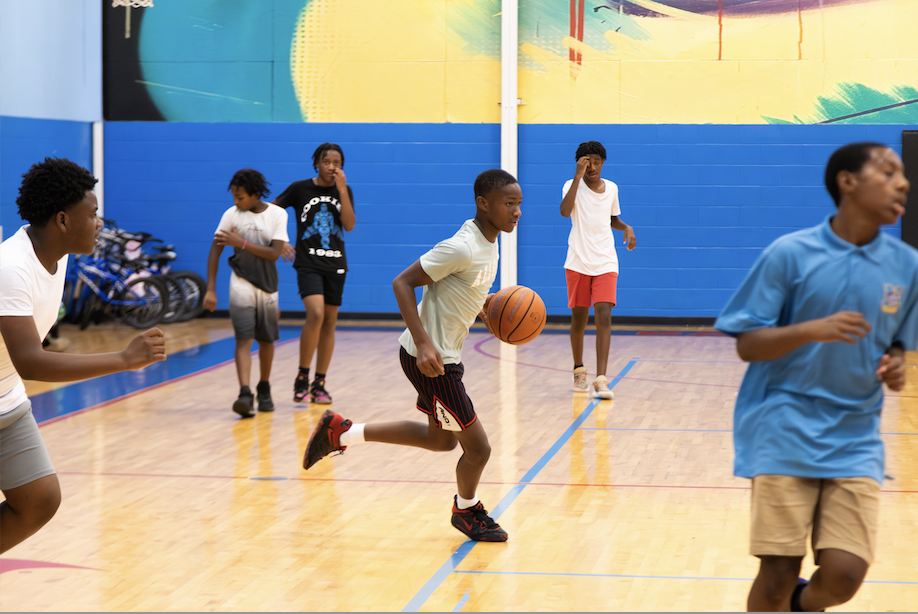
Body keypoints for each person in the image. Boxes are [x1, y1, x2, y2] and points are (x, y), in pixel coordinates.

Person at [714, 142, 917, 612]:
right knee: (778, 570)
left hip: (856, 434)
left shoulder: (906, 264)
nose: (902, 182)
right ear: (848, 182)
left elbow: (898, 342)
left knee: (845, 574)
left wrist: (898, 364)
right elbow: (747, 343)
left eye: (902, 174)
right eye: (887, 172)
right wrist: (812, 330)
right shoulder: (790, 254)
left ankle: (802, 606)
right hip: (783, 423)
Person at [301, 169, 522, 542]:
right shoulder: (462, 246)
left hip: (441, 356)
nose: (517, 212)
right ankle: (466, 511)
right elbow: (401, 283)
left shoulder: (489, 241)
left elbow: (456, 287)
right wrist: (423, 343)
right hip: (431, 361)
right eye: (509, 204)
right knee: (479, 448)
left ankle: (341, 433)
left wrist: (480, 305)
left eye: (519, 204)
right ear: (483, 204)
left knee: (443, 440)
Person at [0, 157, 166, 554]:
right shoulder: (11, 267)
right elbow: (32, 361)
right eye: (92, 214)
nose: (99, 224)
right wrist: (124, 359)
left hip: (6, 400)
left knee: (39, 500)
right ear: (62, 220)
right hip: (11, 386)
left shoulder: (56, 257)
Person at [203, 169, 290, 418]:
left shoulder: (277, 215)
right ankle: (244, 392)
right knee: (243, 339)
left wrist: (241, 243)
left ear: (255, 194)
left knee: (266, 341)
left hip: (268, 287)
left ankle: (264, 387)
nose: (235, 201)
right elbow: (215, 251)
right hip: (240, 283)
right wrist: (210, 288)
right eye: (233, 195)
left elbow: (274, 253)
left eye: (239, 196)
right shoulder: (230, 215)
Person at [274, 143, 355, 405]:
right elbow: (273, 210)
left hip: (336, 264)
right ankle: (302, 376)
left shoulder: (344, 190)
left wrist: (342, 190)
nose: (332, 167)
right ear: (316, 164)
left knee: (330, 321)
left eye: (337, 162)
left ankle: (319, 383)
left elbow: (350, 225)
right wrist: (281, 241)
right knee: (316, 313)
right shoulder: (300, 188)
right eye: (327, 161)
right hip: (308, 263)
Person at [560, 141, 636, 399]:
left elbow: (612, 218)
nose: (592, 166)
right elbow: (564, 211)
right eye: (586, 161)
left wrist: (626, 227)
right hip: (578, 261)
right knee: (579, 319)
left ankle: (602, 379)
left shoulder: (612, 188)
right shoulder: (571, 186)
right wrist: (576, 177)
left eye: (596, 161)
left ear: (603, 162)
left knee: (603, 313)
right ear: (580, 163)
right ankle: (579, 369)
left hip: (605, 260)